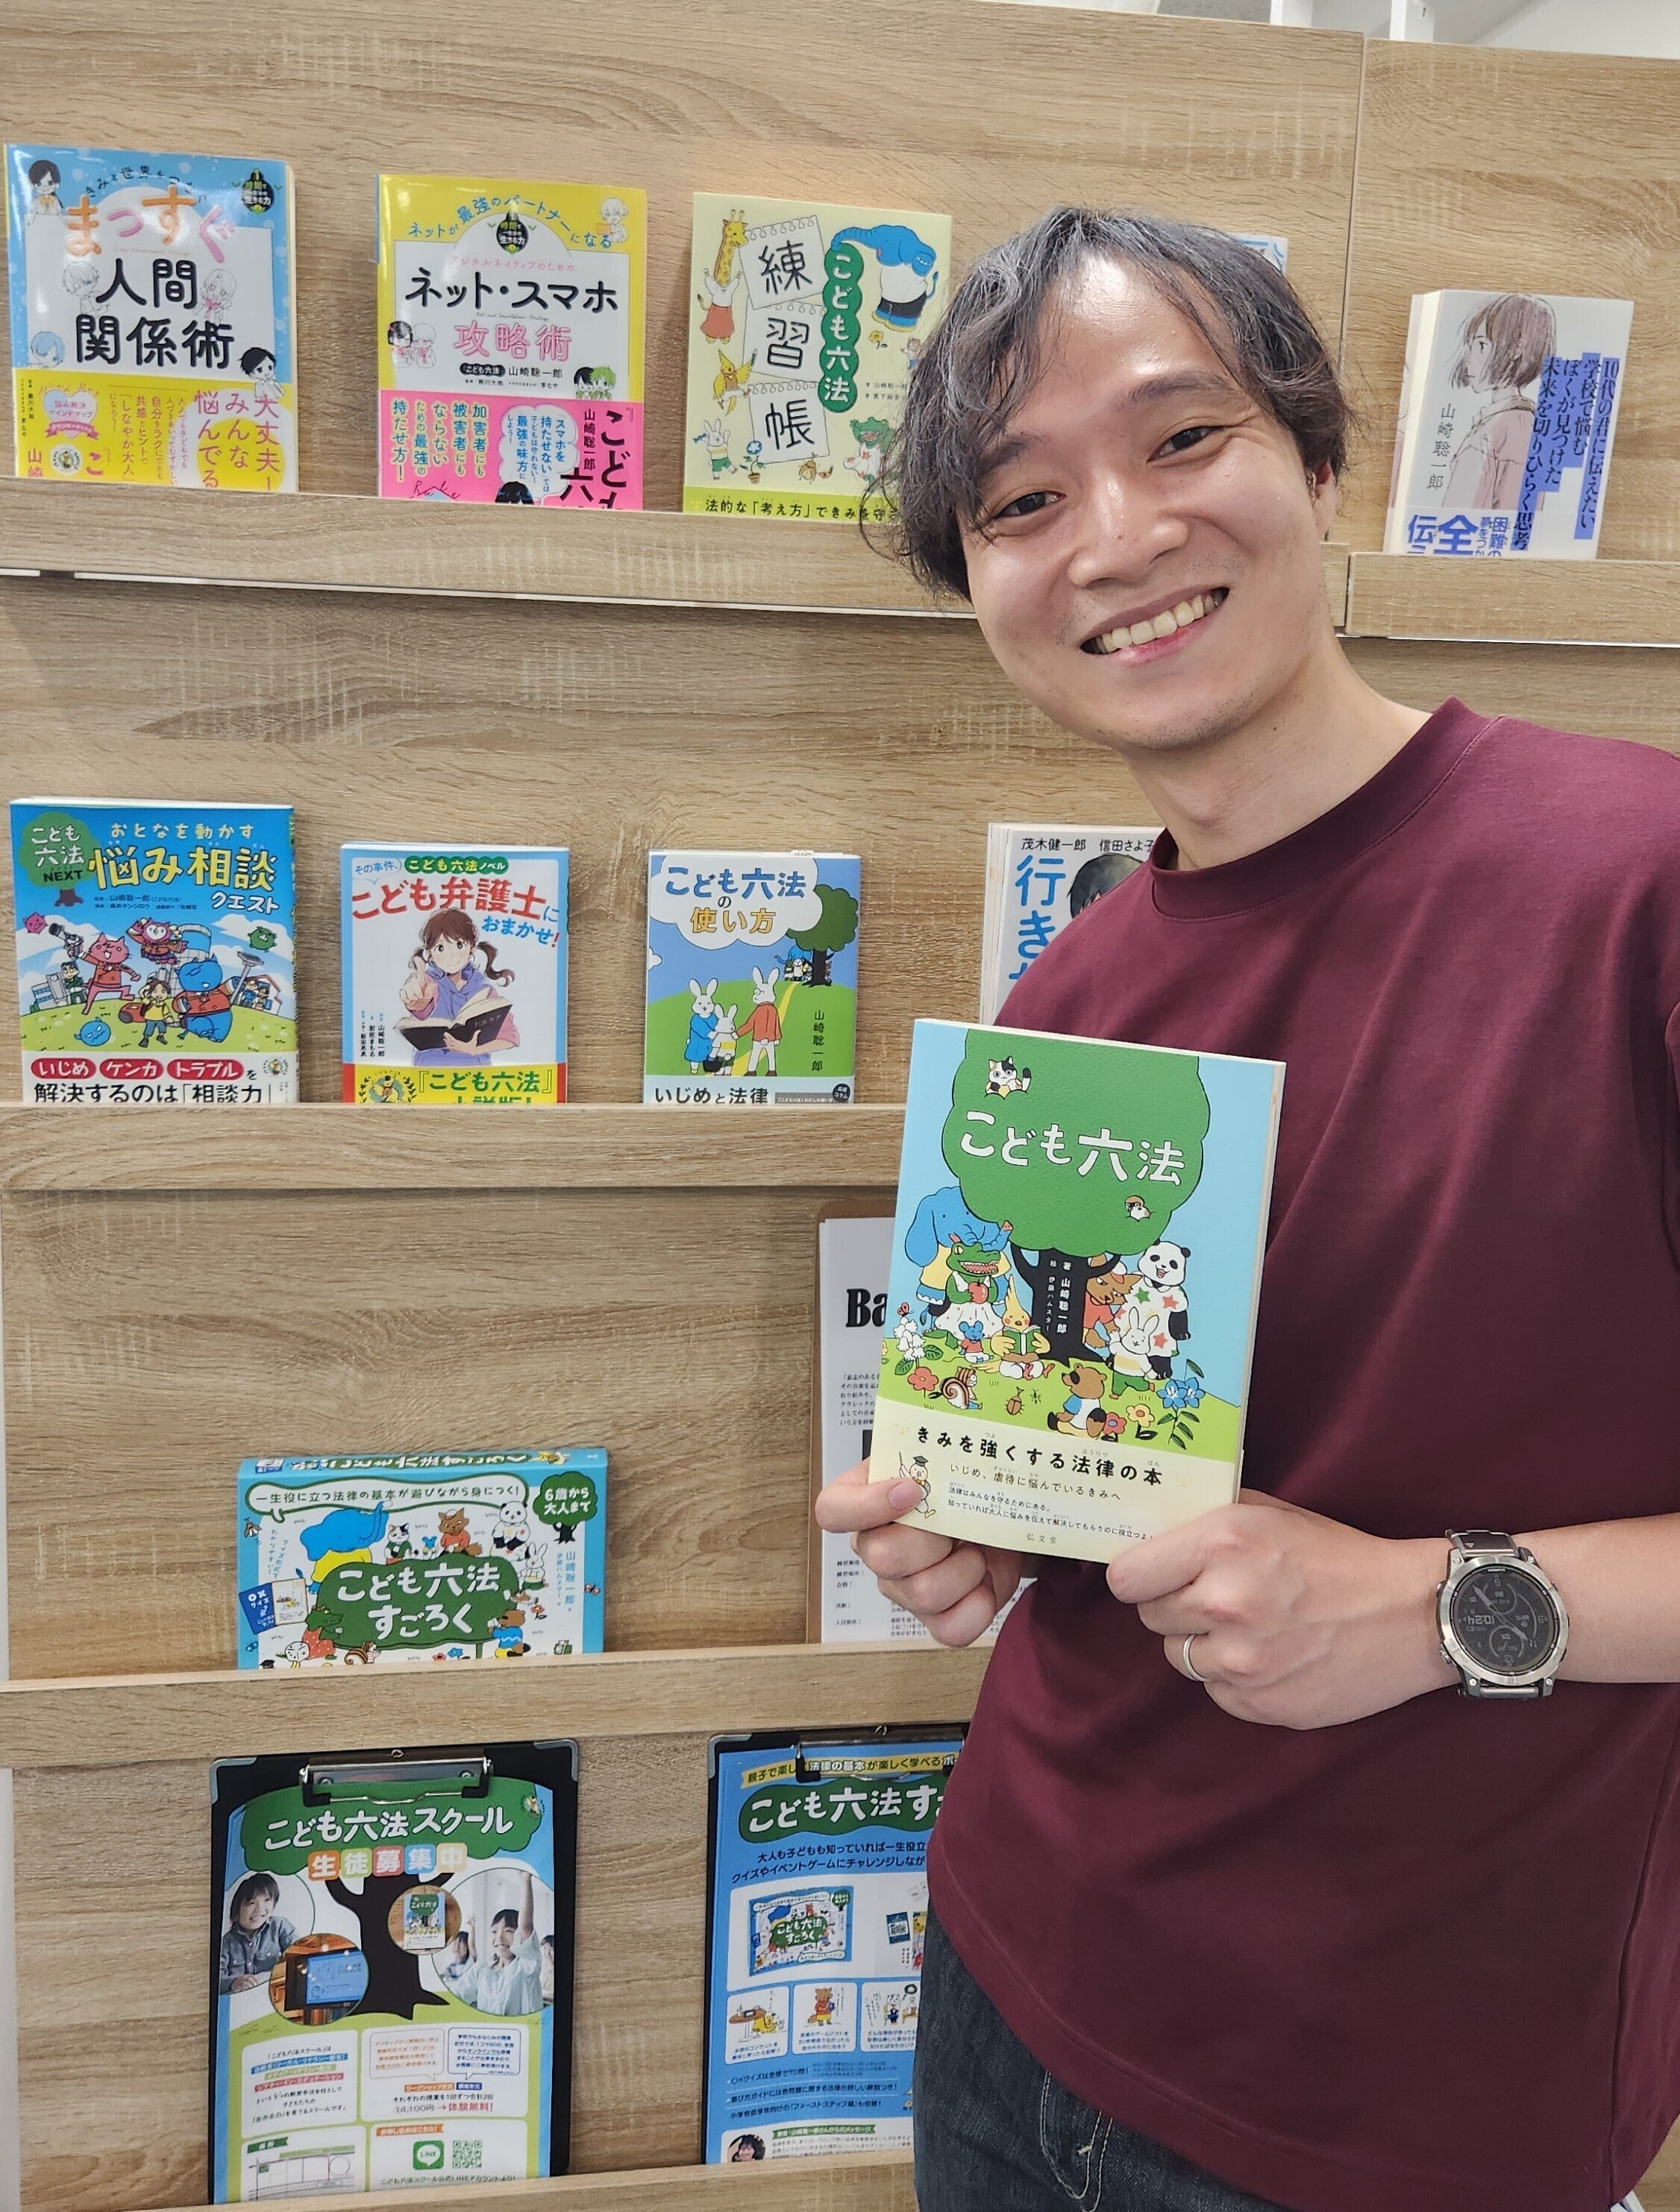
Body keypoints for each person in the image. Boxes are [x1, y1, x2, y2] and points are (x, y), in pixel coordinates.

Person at [818, 206, 1679, 2212]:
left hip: (1404, 2100)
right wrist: (985, 1515)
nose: (1115, 536)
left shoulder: (1633, 883)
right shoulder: (1070, 996)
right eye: (1021, 500)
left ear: (1317, 458)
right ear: (978, 584)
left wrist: (1441, 1603)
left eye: (1180, 436)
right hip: (1011, 1971)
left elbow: (1401, 1571)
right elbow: (1134, 1457)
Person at [468, 1868, 543, 2017]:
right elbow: (458, 1992)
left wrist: (525, 1880)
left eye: (508, 1931)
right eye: (494, 1931)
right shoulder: (481, 1970)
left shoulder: (526, 1966)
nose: (499, 1938)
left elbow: (525, 1927)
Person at [219, 1871, 297, 1994]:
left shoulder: (280, 1926)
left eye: (267, 1900)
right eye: (251, 1903)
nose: (260, 1909)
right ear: (236, 1912)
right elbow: (215, 1979)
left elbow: (299, 1955)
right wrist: (233, 1983)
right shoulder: (227, 1942)